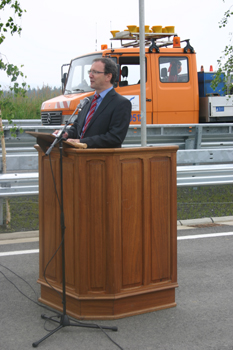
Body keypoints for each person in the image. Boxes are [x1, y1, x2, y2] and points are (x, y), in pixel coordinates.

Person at [55, 57, 132, 148]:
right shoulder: (87, 101)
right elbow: (77, 128)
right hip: (79, 157)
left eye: (95, 72)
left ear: (108, 76)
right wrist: (66, 134)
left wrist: (82, 142)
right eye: (90, 71)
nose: (90, 75)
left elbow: (114, 137)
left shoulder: (121, 104)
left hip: (102, 159)